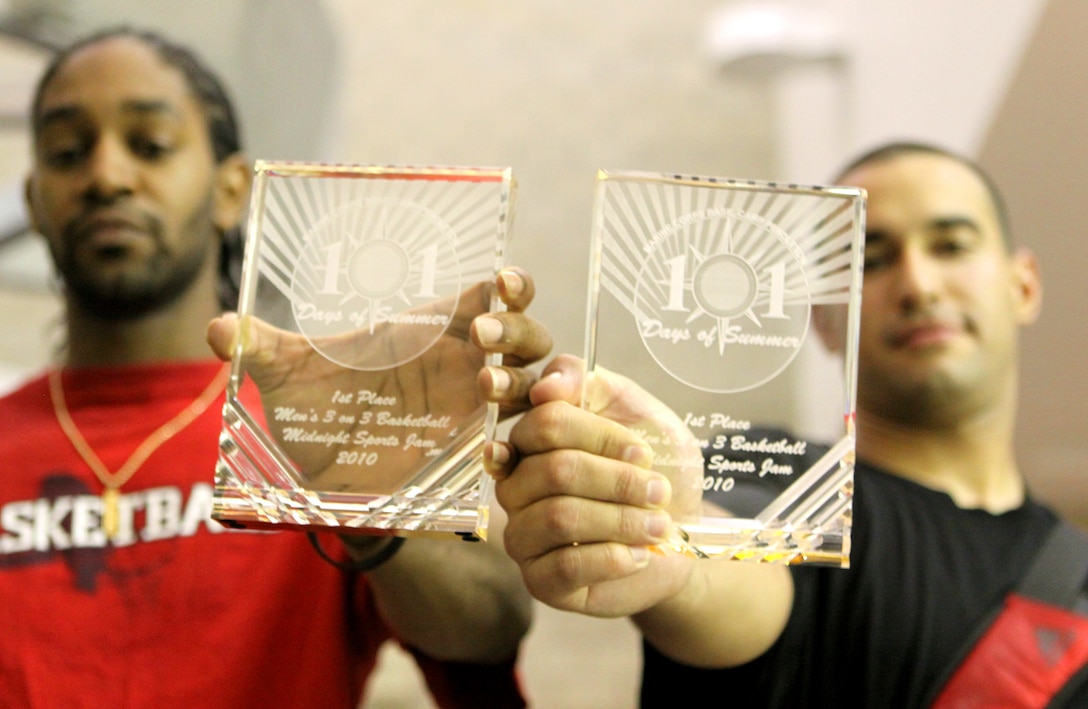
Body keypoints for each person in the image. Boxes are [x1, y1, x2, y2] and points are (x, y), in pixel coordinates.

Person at [0, 26, 551, 708]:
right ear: (35, 203)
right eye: (67, 152)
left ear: (231, 190)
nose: (106, 176)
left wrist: (365, 503)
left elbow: (490, 628)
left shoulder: (312, 422)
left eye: (150, 145)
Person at [487, 141, 1088, 706]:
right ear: (824, 319)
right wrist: (672, 546)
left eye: (951, 246)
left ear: (1023, 285)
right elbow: (734, 561)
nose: (918, 284)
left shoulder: (1076, 568)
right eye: (871, 260)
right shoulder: (792, 481)